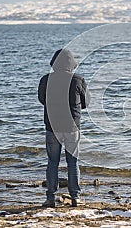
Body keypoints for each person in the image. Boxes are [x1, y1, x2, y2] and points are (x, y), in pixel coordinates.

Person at [38, 49, 90, 207]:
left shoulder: (45, 80)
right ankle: (76, 198)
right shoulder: (78, 80)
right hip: (72, 127)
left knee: (52, 163)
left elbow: (42, 99)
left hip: (52, 126)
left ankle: (50, 198)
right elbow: (86, 103)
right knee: (73, 163)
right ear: (71, 64)